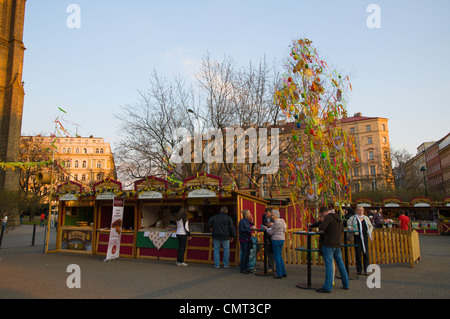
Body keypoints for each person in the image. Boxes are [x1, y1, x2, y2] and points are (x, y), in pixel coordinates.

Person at [316, 206, 349, 293]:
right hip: (337, 244)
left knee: (329, 265)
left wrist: (321, 225)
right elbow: (342, 230)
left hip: (328, 244)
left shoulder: (328, 218)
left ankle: (327, 286)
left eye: (320, 214)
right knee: (341, 264)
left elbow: (322, 228)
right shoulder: (339, 218)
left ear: (323, 212)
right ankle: (346, 284)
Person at [347, 205, 373, 275]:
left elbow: (370, 226)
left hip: (365, 237)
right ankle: (359, 270)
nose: (361, 211)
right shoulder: (353, 218)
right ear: (356, 211)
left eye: (362, 210)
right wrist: (351, 228)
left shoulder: (366, 218)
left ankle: (366, 269)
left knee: (366, 253)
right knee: (358, 253)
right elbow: (348, 225)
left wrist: (369, 232)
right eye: (359, 210)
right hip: (357, 236)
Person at [263, 210, 287, 279]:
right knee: (280, 256)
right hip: (281, 239)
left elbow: (271, 232)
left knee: (276, 257)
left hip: (276, 240)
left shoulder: (276, 222)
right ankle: (283, 272)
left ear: (276, 215)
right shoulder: (282, 221)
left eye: (273, 215)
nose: (272, 217)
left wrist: (266, 228)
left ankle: (279, 274)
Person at [238, 209, 255, 274]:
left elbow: (252, 224)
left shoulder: (248, 221)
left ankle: (247, 267)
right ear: (245, 214)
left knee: (248, 253)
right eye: (249, 213)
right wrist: (249, 229)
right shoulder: (242, 221)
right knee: (244, 254)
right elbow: (241, 230)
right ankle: (243, 268)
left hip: (248, 239)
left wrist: (251, 219)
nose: (250, 214)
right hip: (243, 239)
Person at [262, 207, 275, 272]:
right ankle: (269, 266)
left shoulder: (274, 217)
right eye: (266, 214)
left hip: (273, 236)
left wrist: (271, 225)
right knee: (267, 251)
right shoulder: (264, 216)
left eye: (268, 214)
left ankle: (272, 266)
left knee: (272, 252)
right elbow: (263, 224)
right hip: (266, 235)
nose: (267, 215)